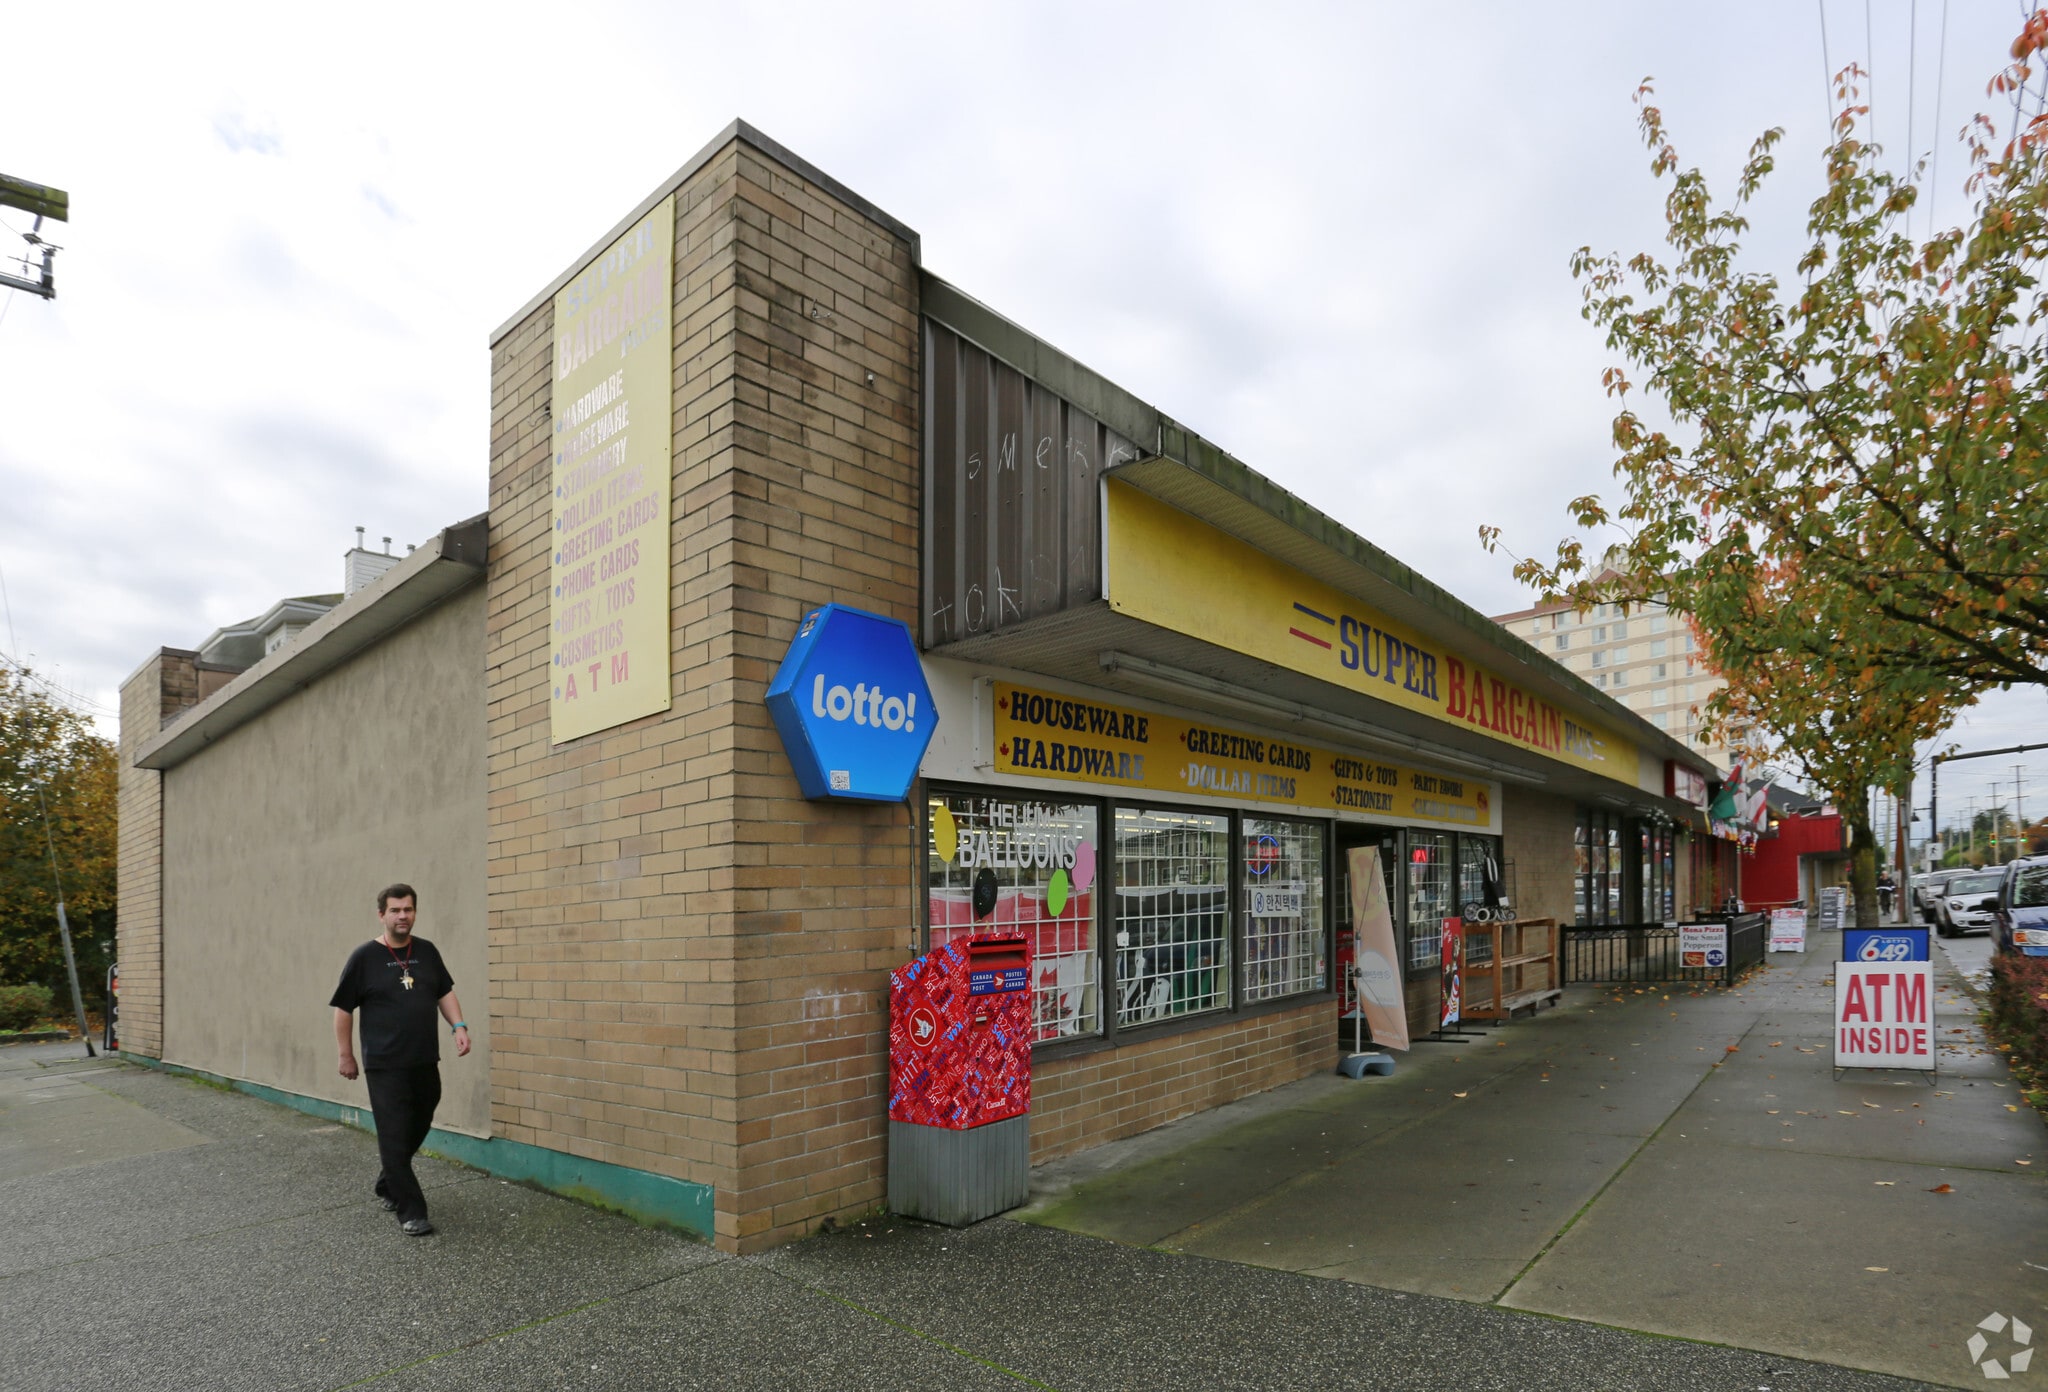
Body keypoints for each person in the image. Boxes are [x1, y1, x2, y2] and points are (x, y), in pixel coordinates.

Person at [330, 883, 469, 1236]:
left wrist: (459, 1026)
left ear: (414, 913)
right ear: (382, 915)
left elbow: (444, 992)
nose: (402, 916)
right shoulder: (364, 958)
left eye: (407, 909)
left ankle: (388, 1179)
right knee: (393, 1134)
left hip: (423, 1059)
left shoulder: (427, 952)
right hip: (384, 1063)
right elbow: (343, 1009)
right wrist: (346, 1055)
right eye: (395, 910)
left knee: (420, 1119)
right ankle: (412, 1212)